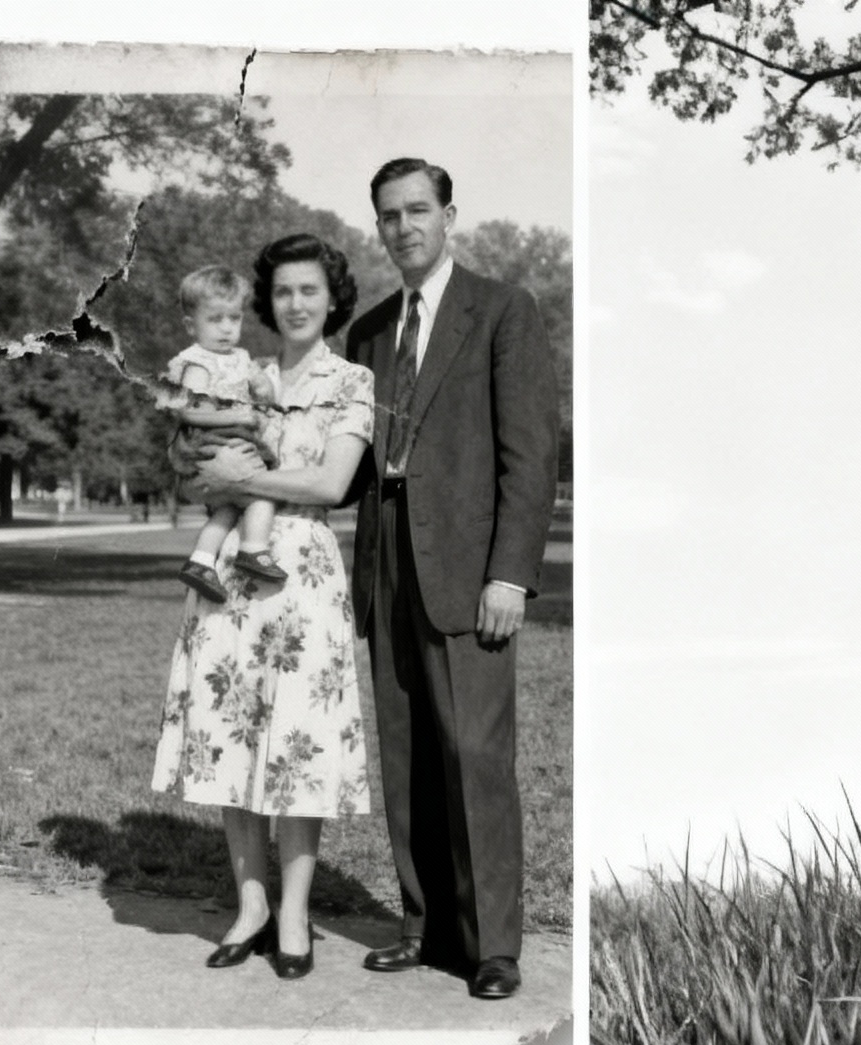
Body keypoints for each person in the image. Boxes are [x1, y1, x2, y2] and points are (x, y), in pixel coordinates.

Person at [346, 159, 559, 1000]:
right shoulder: (365, 333)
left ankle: (492, 945)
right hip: (386, 552)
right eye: (390, 216)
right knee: (405, 750)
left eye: (419, 211)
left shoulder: (503, 311)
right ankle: (423, 925)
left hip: (470, 568)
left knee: (473, 750)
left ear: (449, 217)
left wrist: (510, 574)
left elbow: (530, 456)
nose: (405, 227)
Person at [151, 233, 377, 980]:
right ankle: (248, 905)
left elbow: (329, 486)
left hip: (300, 572)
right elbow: (187, 464)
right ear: (264, 301)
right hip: (227, 576)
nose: (296, 303)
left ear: (332, 296)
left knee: (297, 746)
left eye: (309, 289)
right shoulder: (237, 371)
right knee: (230, 738)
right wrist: (206, 471)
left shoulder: (351, 381)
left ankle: (293, 912)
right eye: (282, 292)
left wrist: (235, 478)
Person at [152, 265, 289, 601]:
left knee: (229, 505)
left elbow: (267, 395)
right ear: (191, 325)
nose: (227, 328)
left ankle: (200, 559)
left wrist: (264, 385)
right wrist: (236, 414)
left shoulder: (240, 357)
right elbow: (188, 410)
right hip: (207, 443)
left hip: (233, 441)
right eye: (215, 319)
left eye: (234, 318)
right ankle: (253, 550)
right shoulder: (198, 362)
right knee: (262, 492)